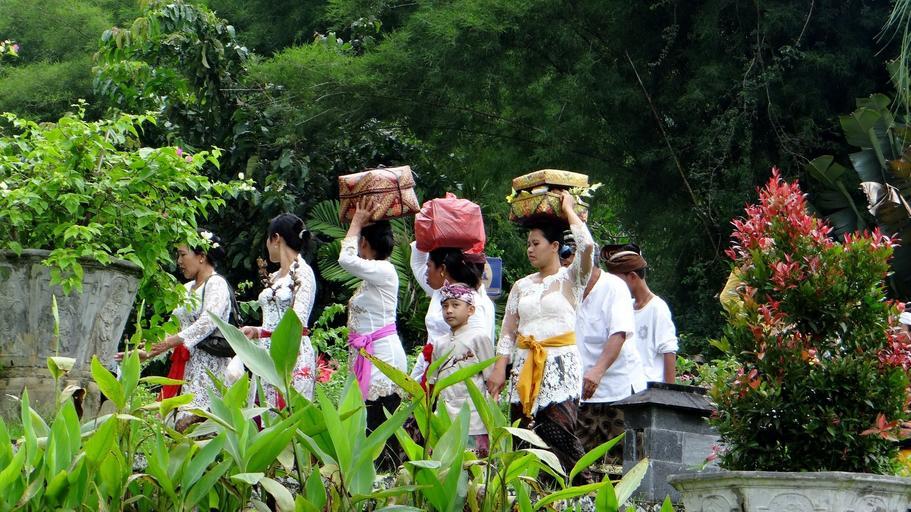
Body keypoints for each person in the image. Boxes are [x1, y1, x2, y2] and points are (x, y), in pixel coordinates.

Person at [486, 192, 594, 483]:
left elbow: (587, 246)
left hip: (560, 366)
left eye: (536, 244)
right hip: (524, 367)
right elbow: (508, 331)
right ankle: (530, 493)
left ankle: (581, 492)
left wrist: (569, 209)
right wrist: (499, 367)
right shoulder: (521, 286)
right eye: (528, 244)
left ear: (555, 246)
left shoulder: (572, 278)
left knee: (559, 433)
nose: (530, 250)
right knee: (523, 435)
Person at [117, 230, 233, 431]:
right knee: (176, 425)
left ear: (202, 256)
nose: (178, 261)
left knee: (197, 425)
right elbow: (173, 327)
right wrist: (149, 350)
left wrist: (169, 342)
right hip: (184, 368)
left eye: (182, 254)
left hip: (207, 369)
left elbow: (208, 322)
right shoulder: (186, 289)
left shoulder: (217, 284)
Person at [338, 196, 407, 466]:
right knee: (368, 424)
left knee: (379, 426)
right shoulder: (373, 277)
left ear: (364, 242)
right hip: (369, 355)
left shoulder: (384, 270)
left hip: (382, 356)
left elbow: (345, 259)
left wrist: (356, 222)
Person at [237, 213, 317, 406]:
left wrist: (276, 341)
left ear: (276, 238)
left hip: (291, 353)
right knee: (266, 412)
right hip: (266, 355)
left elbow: (296, 321)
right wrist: (257, 331)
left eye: (268, 238)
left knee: (288, 410)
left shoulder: (303, 273)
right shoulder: (274, 277)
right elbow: (273, 321)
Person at [575, 246, 645, 464]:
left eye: (572, 262)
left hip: (617, 390)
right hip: (581, 393)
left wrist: (598, 371)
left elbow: (619, 333)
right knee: (580, 461)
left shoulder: (614, 287)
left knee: (621, 463)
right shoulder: (567, 288)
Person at [408, 242, 495, 385]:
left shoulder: (472, 301)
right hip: (431, 367)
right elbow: (417, 262)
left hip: (456, 376)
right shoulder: (440, 292)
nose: (425, 272)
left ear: (442, 269)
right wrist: (431, 235)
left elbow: (479, 347)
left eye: (429, 266)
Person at [424, 282, 495, 455]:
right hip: (445, 416)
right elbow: (433, 383)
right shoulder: (439, 343)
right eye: (445, 306)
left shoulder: (479, 338)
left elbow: (491, 380)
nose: (449, 310)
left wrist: (491, 415)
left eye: (455, 305)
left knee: (472, 463)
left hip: (473, 418)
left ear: (470, 310)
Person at [605, 250, 678, 384]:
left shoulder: (657, 308)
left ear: (633, 277)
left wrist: (669, 392)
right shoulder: (625, 307)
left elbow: (669, 351)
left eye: (617, 281)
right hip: (626, 385)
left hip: (650, 386)